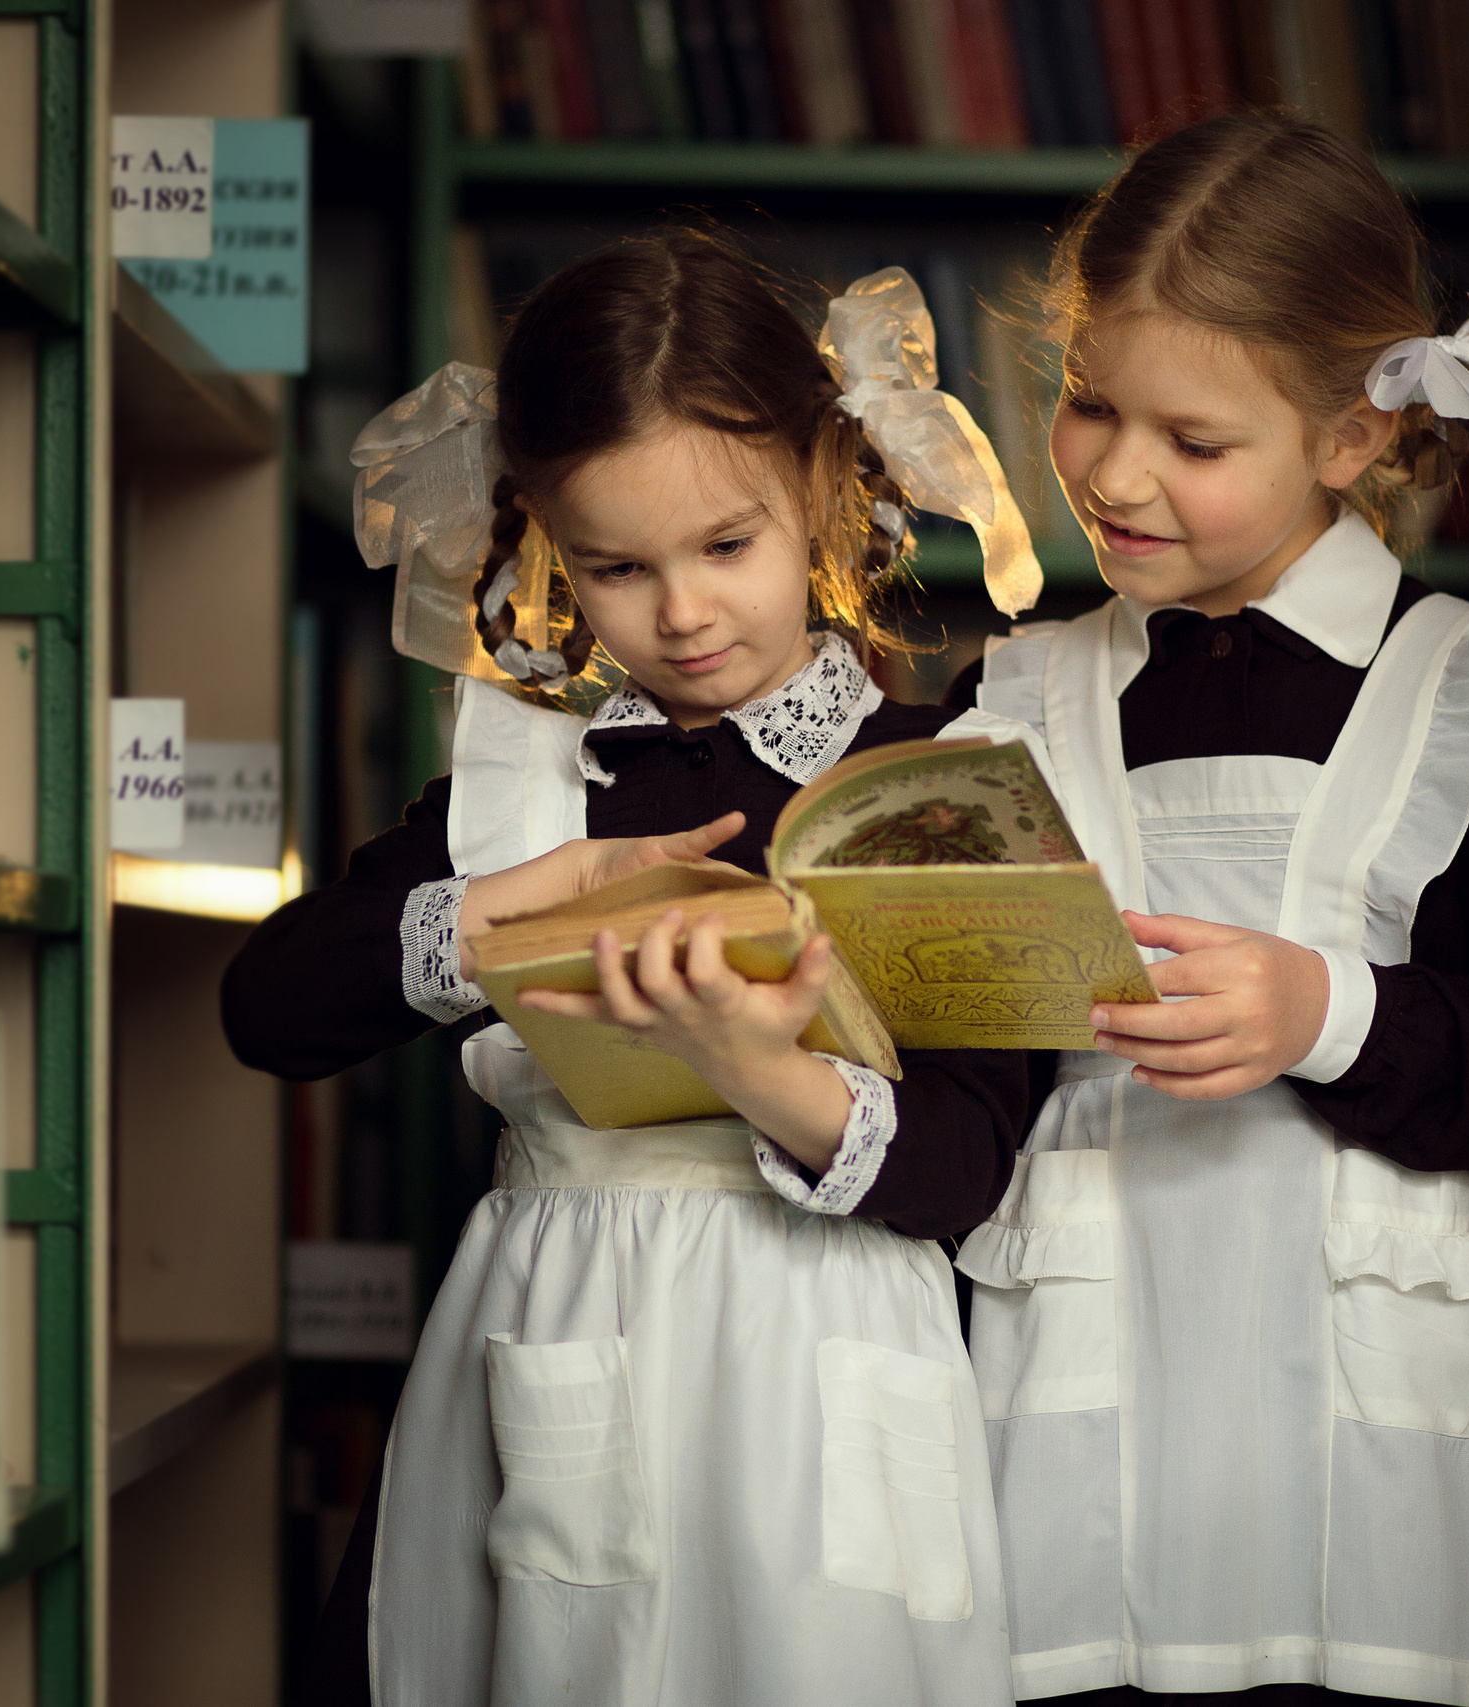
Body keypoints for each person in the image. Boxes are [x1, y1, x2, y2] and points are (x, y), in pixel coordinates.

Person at [223, 230, 1046, 1707]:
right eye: (613, 567)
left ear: (823, 488)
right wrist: (513, 906)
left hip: (831, 1378)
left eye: (727, 546)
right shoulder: (518, 790)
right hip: (557, 1360)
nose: (681, 613)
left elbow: (980, 1172)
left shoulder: (930, 778)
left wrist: (765, 1077)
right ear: (542, 536)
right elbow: (266, 1006)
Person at [948, 113, 1469, 1705]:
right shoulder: (1007, 707)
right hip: (1084, 1438)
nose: (1118, 474)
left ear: (1352, 436)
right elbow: (954, 1086)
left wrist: (1328, 1013)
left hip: (1384, 1482)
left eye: (1195, 444)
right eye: (1087, 402)